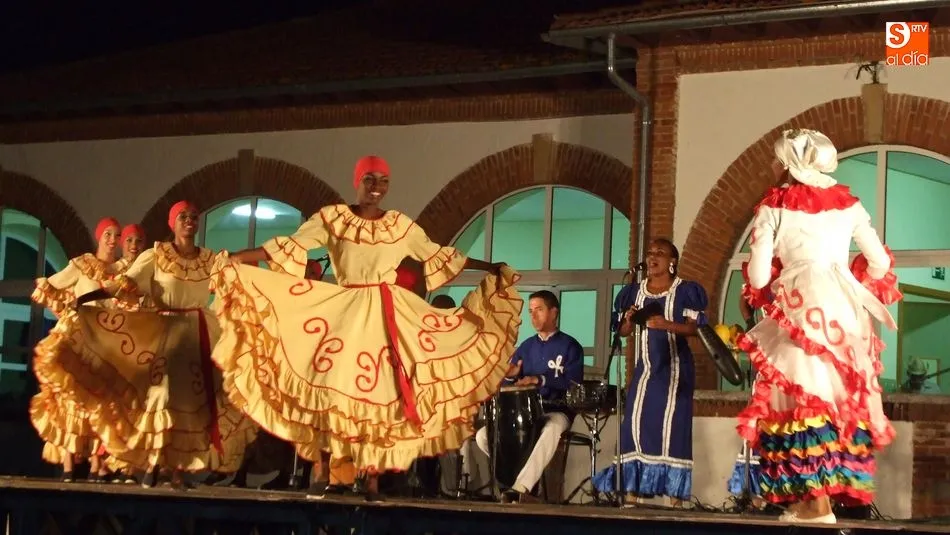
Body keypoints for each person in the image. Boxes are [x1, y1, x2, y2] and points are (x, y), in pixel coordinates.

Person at [210, 155, 523, 499]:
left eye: (383, 181)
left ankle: (371, 476)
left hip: (385, 315)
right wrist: (241, 258)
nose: (376, 188)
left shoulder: (401, 227)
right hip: (344, 311)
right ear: (357, 182)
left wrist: (488, 266)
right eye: (370, 180)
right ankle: (323, 467)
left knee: (379, 392)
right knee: (329, 386)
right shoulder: (333, 220)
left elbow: (438, 253)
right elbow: (290, 246)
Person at [734, 129, 902, 524]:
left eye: (777, 160)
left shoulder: (773, 207)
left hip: (800, 306)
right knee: (833, 399)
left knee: (799, 398)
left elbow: (758, 279)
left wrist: (777, 270)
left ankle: (815, 504)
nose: (773, 167)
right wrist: (848, 277)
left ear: (789, 164)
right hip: (843, 312)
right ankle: (818, 502)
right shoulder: (850, 206)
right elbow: (880, 263)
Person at [49, 201, 257, 489]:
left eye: (194, 217)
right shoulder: (156, 255)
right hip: (165, 330)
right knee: (160, 398)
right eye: (183, 216)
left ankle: (178, 471)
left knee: (193, 403)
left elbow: (237, 272)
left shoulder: (210, 259)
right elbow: (126, 282)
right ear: (173, 223)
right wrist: (87, 298)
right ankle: (152, 462)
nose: (190, 221)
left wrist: (264, 262)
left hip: (198, 333)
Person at [591, 238, 708, 507]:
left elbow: (696, 328)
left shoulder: (686, 291)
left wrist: (666, 324)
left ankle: (675, 499)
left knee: (672, 430)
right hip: (645, 372)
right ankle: (632, 494)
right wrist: (629, 320)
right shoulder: (633, 292)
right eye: (650, 252)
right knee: (635, 428)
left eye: (660, 253)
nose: (653, 257)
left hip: (676, 370)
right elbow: (622, 332)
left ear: (672, 261)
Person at [30, 217, 123, 482]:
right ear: (99, 236)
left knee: (101, 400)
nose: (112, 239)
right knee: (73, 395)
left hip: (106, 340)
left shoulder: (122, 269)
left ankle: (97, 461)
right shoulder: (82, 264)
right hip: (80, 335)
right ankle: (69, 462)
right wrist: (65, 313)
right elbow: (49, 286)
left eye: (116, 235)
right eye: (107, 233)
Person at [473, 290, 583, 503]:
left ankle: (520, 487)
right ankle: (521, 485)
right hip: (523, 413)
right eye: (531, 311)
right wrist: (512, 377)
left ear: (554, 313)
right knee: (483, 436)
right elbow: (506, 384)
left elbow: (574, 383)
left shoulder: (570, 346)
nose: (533, 317)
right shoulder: (526, 347)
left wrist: (540, 380)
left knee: (551, 429)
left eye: (539, 310)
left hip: (556, 409)